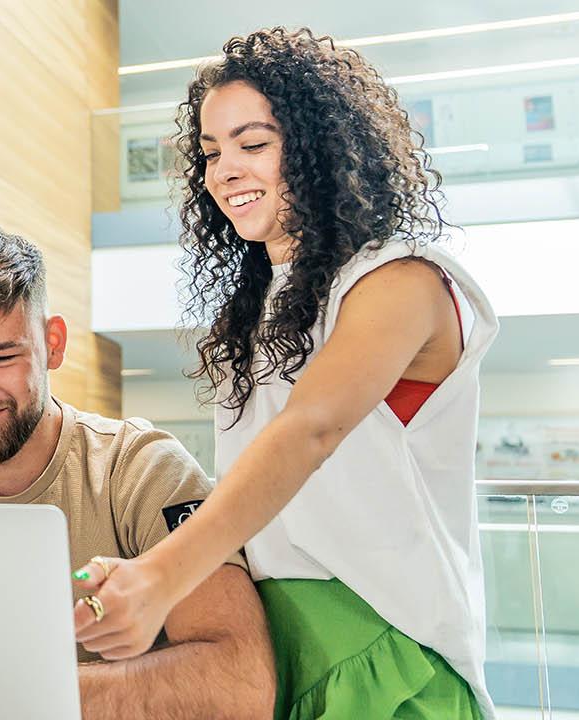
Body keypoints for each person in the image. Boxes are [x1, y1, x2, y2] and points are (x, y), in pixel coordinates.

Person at [70, 28, 501, 719]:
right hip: (277, 651)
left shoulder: (402, 281)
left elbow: (311, 429)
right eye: (212, 152)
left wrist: (160, 576)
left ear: (318, 146)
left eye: (254, 144)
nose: (225, 171)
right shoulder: (258, 308)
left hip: (390, 654)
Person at [0, 224, 274, 719]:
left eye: (0, 357)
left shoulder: (143, 471)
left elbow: (241, 683)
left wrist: (2, 695)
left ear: (53, 343)